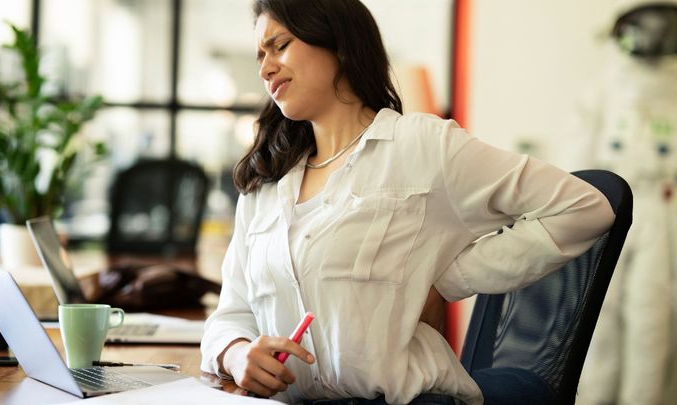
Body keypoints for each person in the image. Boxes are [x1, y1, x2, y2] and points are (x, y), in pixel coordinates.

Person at [200, 0, 615, 404]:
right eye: (260, 55)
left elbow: (585, 209)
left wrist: (449, 280)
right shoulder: (265, 184)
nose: (265, 67)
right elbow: (230, 313)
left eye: (280, 45)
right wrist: (236, 355)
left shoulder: (421, 147)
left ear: (338, 43)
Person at [567, 2, 677, 404]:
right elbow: (578, 156)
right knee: (597, 316)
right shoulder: (604, 85)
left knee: (652, 320)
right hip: (605, 205)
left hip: (661, 208)